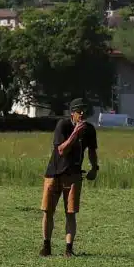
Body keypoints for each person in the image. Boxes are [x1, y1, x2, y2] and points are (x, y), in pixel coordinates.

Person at [40, 102, 99, 257]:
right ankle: (46, 246)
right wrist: (75, 134)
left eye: (86, 112)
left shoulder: (90, 130)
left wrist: (94, 167)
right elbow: (61, 150)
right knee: (48, 211)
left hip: (73, 175)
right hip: (54, 174)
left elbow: (92, 150)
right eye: (80, 112)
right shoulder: (63, 125)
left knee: (70, 212)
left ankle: (68, 249)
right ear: (72, 113)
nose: (83, 115)